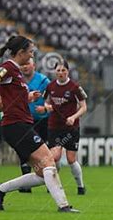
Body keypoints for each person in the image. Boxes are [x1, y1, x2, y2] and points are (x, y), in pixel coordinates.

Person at [0, 35, 79, 213]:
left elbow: (13, 95)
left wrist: (29, 97)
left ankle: (0, 190)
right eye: (30, 52)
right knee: (49, 162)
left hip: (18, 126)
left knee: (41, 173)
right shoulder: (7, 67)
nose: (31, 56)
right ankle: (63, 206)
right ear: (21, 52)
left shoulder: (16, 72)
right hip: (16, 126)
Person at [37, 59, 87, 195]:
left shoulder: (75, 87)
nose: (60, 73)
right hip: (54, 126)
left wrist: (73, 117)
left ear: (67, 71)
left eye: (63, 70)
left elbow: (83, 107)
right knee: (55, 156)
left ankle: (80, 186)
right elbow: (46, 103)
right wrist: (46, 108)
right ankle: (52, 184)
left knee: (71, 159)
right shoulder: (50, 86)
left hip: (71, 128)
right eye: (58, 70)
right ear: (55, 72)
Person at [18, 57, 51, 193]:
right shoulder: (17, 80)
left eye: (28, 64)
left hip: (42, 121)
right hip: (25, 121)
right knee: (23, 151)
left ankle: (49, 180)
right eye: (23, 64)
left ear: (34, 66)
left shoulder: (43, 81)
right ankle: (26, 184)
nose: (25, 67)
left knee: (44, 153)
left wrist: (45, 107)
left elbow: (51, 98)